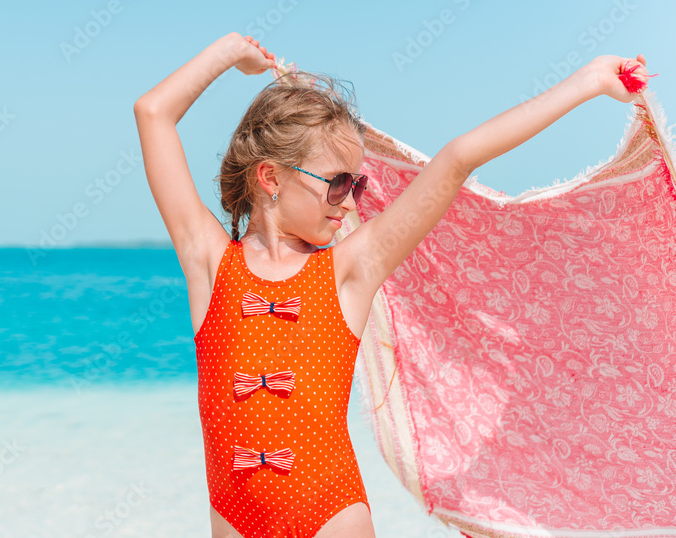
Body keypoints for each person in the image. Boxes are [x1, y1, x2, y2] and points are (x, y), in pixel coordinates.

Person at [132, 31, 649, 538]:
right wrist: (230, 52)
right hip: (233, 521)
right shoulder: (209, 264)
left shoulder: (350, 270)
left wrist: (589, 81)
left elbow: (459, 158)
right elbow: (153, 113)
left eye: (356, 185)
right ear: (270, 178)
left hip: (332, 519)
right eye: (338, 183)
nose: (351, 202)